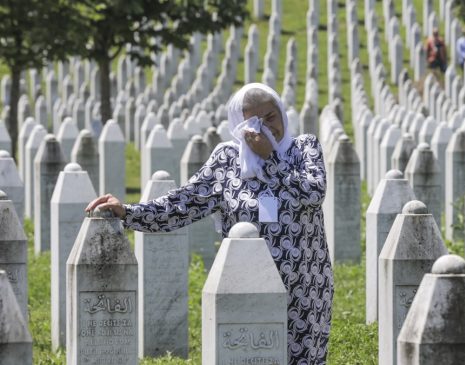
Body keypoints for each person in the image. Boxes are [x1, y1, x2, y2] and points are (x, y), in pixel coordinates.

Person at [86, 83, 334, 364]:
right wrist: (127, 212)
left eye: (270, 117)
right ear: (238, 126)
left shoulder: (303, 148)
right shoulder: (227, 160)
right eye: (253, 121)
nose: (264, 128)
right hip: (245, 285)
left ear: (282, 114)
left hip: (305, 288)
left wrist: (271, 158)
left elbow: (314, 193)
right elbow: (182, 204)